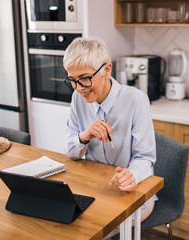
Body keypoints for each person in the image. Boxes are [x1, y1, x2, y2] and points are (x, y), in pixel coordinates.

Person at [63, 37, 157, 237]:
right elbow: (70, 152)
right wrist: (84, 136)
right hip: (95, 190)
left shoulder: (137, 100)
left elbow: (146, 158)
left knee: (88, 233)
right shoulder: (77, 99)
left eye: (85, 78)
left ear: (107, 70)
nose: (79, 88)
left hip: (131, 195)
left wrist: (132, 175)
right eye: (72, 80)